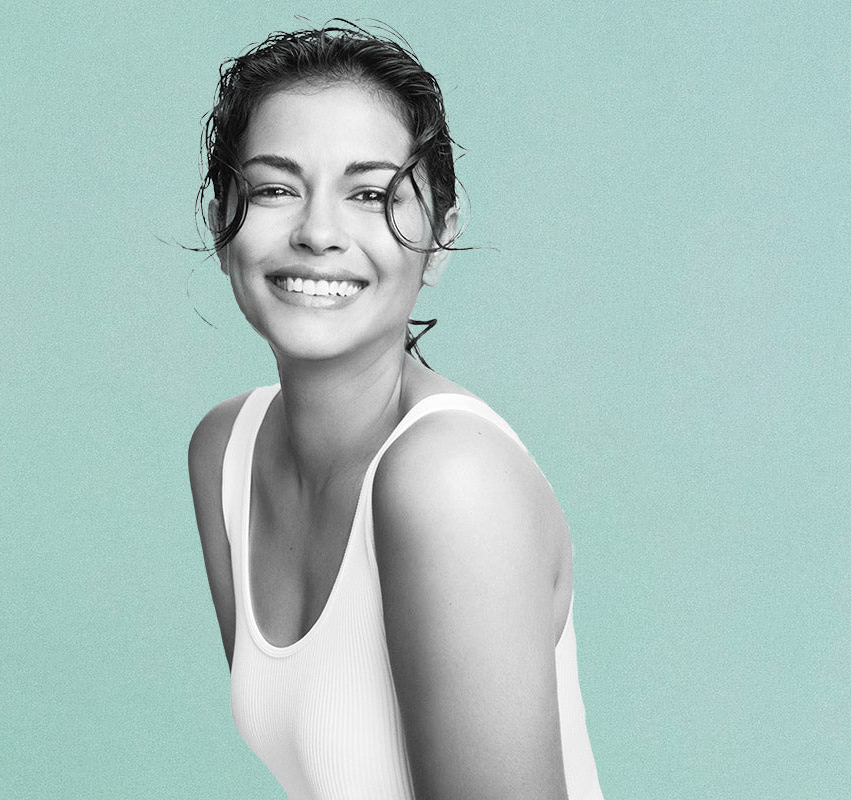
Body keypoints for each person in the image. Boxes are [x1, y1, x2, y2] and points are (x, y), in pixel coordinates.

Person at [184, 24, 603, 800]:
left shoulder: (450, 480)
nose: (317, 233)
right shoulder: (225, 453)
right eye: (276, 188)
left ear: (441, 237)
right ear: (221, 222)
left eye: (371, 194)